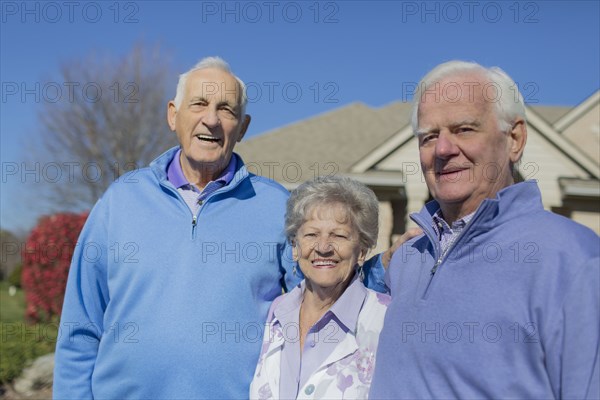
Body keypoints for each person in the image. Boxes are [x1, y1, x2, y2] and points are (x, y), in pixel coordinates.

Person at [53, 57, 389, 399]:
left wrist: (384, 268)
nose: (211, 119)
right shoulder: (119, 202)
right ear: (173, 114)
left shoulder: (277, 207)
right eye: (199, 103)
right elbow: (80, 328)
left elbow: (325, 292)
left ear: (242, 127)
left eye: (226, 109)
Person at [369, 60, 600, 399]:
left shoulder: (574, 259)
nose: (443, 150)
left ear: (515, 139)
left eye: (464, 129)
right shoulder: (408, 257)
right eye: (429, 136)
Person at [250, 176, 391, 399]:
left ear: (362, 251)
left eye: (339, 235)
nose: (323, 247)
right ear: (295, 247)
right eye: (312, 234)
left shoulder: (386, 319)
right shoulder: (278, 312)